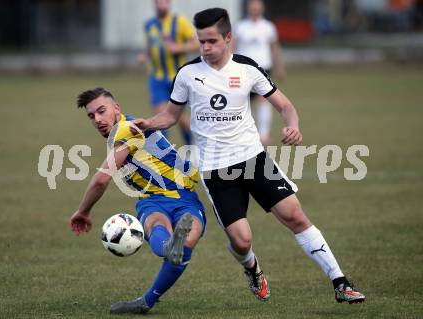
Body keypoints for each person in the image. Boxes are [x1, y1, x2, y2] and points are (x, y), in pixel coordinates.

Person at [132, 8, 365, 304]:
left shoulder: (247, 68)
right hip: (216, 171)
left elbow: (285, 106)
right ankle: (252, 268)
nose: (205, 48)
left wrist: (292, 125)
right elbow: (170, 115)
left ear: (228, 38)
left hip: (254, 159)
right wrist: (148, 123)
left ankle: (340, 282)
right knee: (242, 242)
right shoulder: (188, 74)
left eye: (212, 41)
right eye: (201, 41)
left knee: (294, 215)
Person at [70, 87, 206, 314]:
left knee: (178, 240)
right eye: (91, 116)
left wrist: (83, 211)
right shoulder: (125, 128)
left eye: (102, 111)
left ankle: (148, 297)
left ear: (117, 109)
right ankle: (167, 249)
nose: (97, 120)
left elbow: (100, 180)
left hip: (180, 196)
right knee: (166, 230)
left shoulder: (124, 129)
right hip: (159, 198)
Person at [138, 0, 199, 145]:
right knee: (160, 118)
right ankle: (167, 158)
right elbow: (150, 47)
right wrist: (144, 56)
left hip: (177, 79)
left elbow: (196, 44)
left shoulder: (180, 22)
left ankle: (192, 149)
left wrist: (178, 48)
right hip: (157, 78)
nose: (161, 4)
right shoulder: (149, 25)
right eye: (158, 1)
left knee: (181, 120)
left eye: (164, 1)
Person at [232, 0, 286, 146]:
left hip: (263, 68)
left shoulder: (268, 27)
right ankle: (243, 134)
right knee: (243, 102)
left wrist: (279, 67)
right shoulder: (240, 26)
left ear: (261, 9)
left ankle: (263, 135)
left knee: (264, 99)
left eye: (257, 7)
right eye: (252, 7)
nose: (255, 9)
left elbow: (274, 48)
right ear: (249, 9)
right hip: (242, 69)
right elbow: (232, 46)